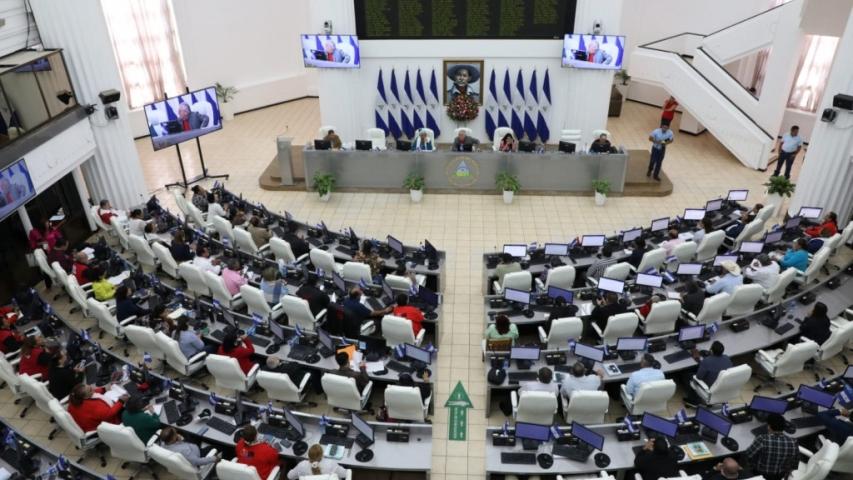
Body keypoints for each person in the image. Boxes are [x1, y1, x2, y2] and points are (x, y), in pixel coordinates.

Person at [743, 413, 798, 480]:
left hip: (761, 473)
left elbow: (748, 454)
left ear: (769, 426)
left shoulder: (762, 439)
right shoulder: (793, 442)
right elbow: (794, 465)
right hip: (780, 475)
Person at [683, 341, 732, 406]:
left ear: (711, 351)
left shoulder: (707, 361)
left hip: (709, 388)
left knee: (687, 375)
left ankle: (694, 401)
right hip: (722, 386)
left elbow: (698, 377)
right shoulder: (727, 358)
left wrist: (697, 358)